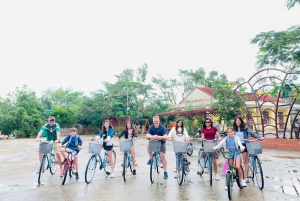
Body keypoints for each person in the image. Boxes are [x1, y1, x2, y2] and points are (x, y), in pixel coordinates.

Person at [233, 116, 263, 182]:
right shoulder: (233, 129)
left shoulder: (245, 128)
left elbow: (252, 133)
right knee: (238, 162)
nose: (238, 122)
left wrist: (259, 137)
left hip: (244, 145)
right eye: (237, 120)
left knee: (245, 161)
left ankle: (245, 176)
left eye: (239, 120)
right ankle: (239, 175)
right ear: (235, 122)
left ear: (241, 121)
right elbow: (229, 134)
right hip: (236, 145)